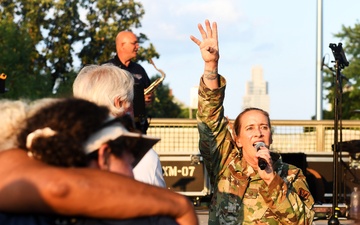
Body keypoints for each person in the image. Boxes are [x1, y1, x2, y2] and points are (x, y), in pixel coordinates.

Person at [190, 20, 315, 224]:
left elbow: (303, 221)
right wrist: (211, 65)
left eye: (263, 127)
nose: (258, 133)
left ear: (270, 137)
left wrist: (271, 179)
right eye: (250, 128)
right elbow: (210, 120)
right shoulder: (225, 166)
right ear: (237, 139)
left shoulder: (291, 174)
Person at [0, 99, 198, 225]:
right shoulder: (154, 220)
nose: (132, 171)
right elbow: (58, 187)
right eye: (131, 161)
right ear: (104, 155)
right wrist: (179, 205)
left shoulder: (11, 214)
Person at [73, 64, 166, 187]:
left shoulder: (60, 150)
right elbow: (156, 205)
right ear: (119, 103)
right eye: (131, 103)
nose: (133, 110)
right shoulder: (142, 157)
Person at [103, 31, 152, 134]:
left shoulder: (139, 69)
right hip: (115, 126)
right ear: (122, 45)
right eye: (134, 43)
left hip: (139, 127)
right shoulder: (107, 69)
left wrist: (149, 98)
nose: (138, 46)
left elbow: (149, 94)